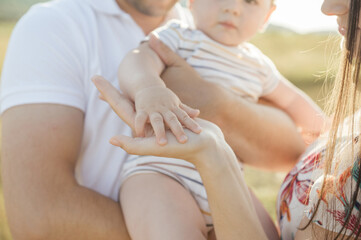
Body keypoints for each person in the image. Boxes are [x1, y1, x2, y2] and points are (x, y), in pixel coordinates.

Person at [0, 0, 305, 239]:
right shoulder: (56, 24)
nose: (234, 6)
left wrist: (214, 101)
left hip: (220, 179)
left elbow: (292, 146)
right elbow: (38, 219)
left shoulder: (212, 32)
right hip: (157, 180)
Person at [94, 0, 361, 238]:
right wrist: (149, 89)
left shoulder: (258, 64)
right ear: (191, 2)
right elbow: (138, 59)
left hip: (229, 177)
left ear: (267, 15)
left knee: (267, 235)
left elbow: (293, 101)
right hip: (161, 172)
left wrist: (330, 133)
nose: (233, 7)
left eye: (250, 2)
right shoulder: (179, 35)